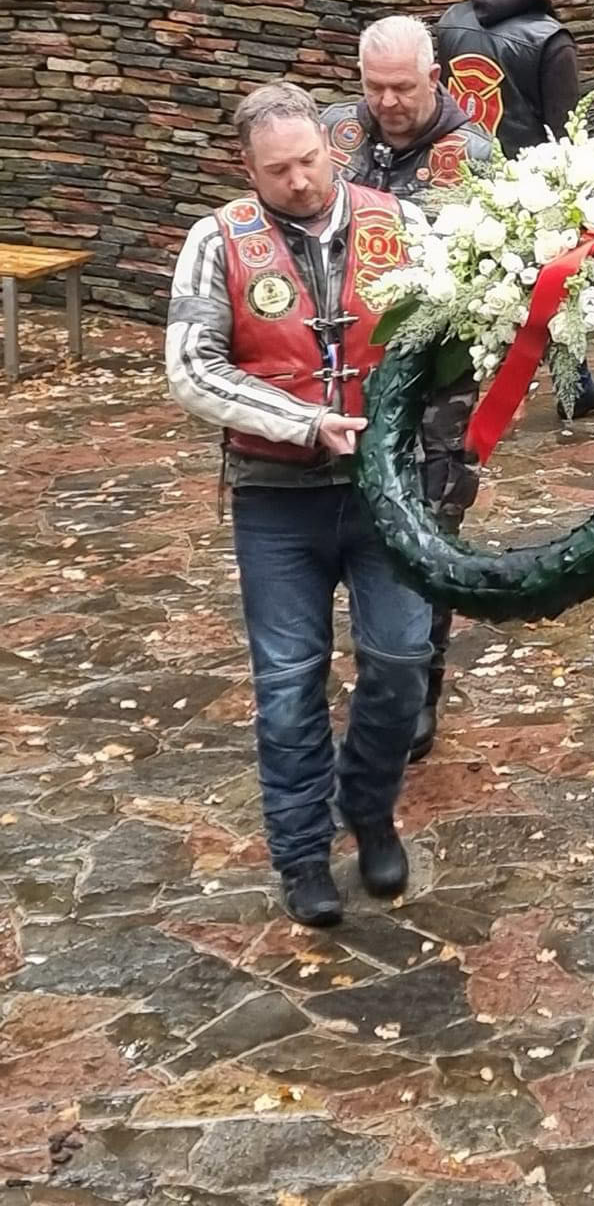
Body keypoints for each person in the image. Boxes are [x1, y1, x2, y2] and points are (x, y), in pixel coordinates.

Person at [165, 82, 433, 929]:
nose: (301, 181)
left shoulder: (402, 223)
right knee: (287, 685)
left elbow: (452, 332)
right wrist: (303, 421)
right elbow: (191, 367)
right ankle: (302, 853)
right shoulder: (216, 241)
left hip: (385, 491)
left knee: (401, 662)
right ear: (248, 170)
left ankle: (369, 806)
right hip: (276, 497)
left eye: (311, 161)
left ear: (331, 148)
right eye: (278, 170)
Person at [320, 15, 493, 763]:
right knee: (348, 526)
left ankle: (419, 682)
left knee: (429, 524)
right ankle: (373, 663)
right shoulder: (331, 137)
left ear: (435, 79)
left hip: (434, 380)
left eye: (403, 87)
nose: (387, 102)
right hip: (340, 372)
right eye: (374, 87)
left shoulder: (474, 155)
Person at [437, 0, 594, 417]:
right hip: (525, 185)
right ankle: (573, 385)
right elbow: (565, 130)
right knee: (554, 281)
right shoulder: (549, 39)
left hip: (456, 168)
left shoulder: (451, 20)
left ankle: (457, 391)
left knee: (464, 282)